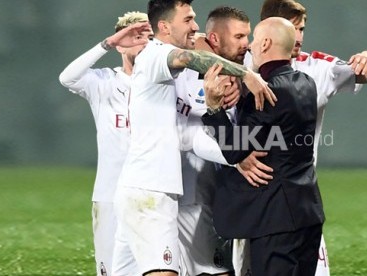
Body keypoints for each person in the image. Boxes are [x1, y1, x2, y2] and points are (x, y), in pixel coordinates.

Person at [112, 0, 276, 275]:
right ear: (164, 26)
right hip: (149, 192)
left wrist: (233, 157)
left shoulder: (171, 75)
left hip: (150, 191)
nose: (195, 27)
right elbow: (191, 56)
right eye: (188, 19)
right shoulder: (155, 55)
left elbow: (187, 135)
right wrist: (245, 73)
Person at [234, 0, 367, 275]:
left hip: (294, 195)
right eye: (293, 28)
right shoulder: (240, 61)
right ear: (268, 32)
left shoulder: (315, 66)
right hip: (249, 198)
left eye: (302, 28)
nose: (298, 37)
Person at [201, 17, 325, 276]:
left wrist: (213, 108)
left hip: (275, 219)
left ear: (266, 43)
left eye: (255, 40)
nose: (249, 46)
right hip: (308, 211)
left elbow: (235, 150)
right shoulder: (306, 83)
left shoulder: (265, 93)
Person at [58, 11, 152, 276]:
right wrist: (107, 44)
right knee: (110, 270)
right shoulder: (104, 82)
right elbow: (68, 78)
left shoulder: (166, 83)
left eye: (149, 37)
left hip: (153, 194)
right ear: (120, 44)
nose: (144, 43)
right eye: (135, 37)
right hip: (110, 195)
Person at [175, 6, 251, 275]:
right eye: (239, 37)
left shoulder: (242, 65)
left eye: (247, 36)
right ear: (215, 40)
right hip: (192, 190)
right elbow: (197, 44)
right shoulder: (185, 66)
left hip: (223, 193)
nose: (246, 44)